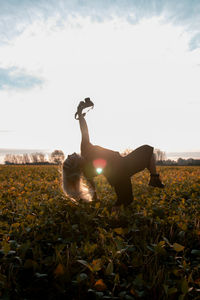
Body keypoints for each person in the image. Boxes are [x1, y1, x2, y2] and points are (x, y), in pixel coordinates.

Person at [62, 98, 164, 206]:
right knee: (126, 202)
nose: (69, 154)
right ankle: (153, 179)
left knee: (147, 150)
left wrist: (80, 113)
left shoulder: (85, 149)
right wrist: (94, 197)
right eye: (69, 158)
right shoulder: (87, 169)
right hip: (119, 176)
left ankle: (154, 178)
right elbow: (92, 183)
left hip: (124, 163)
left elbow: (84, 131)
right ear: (75, 165)